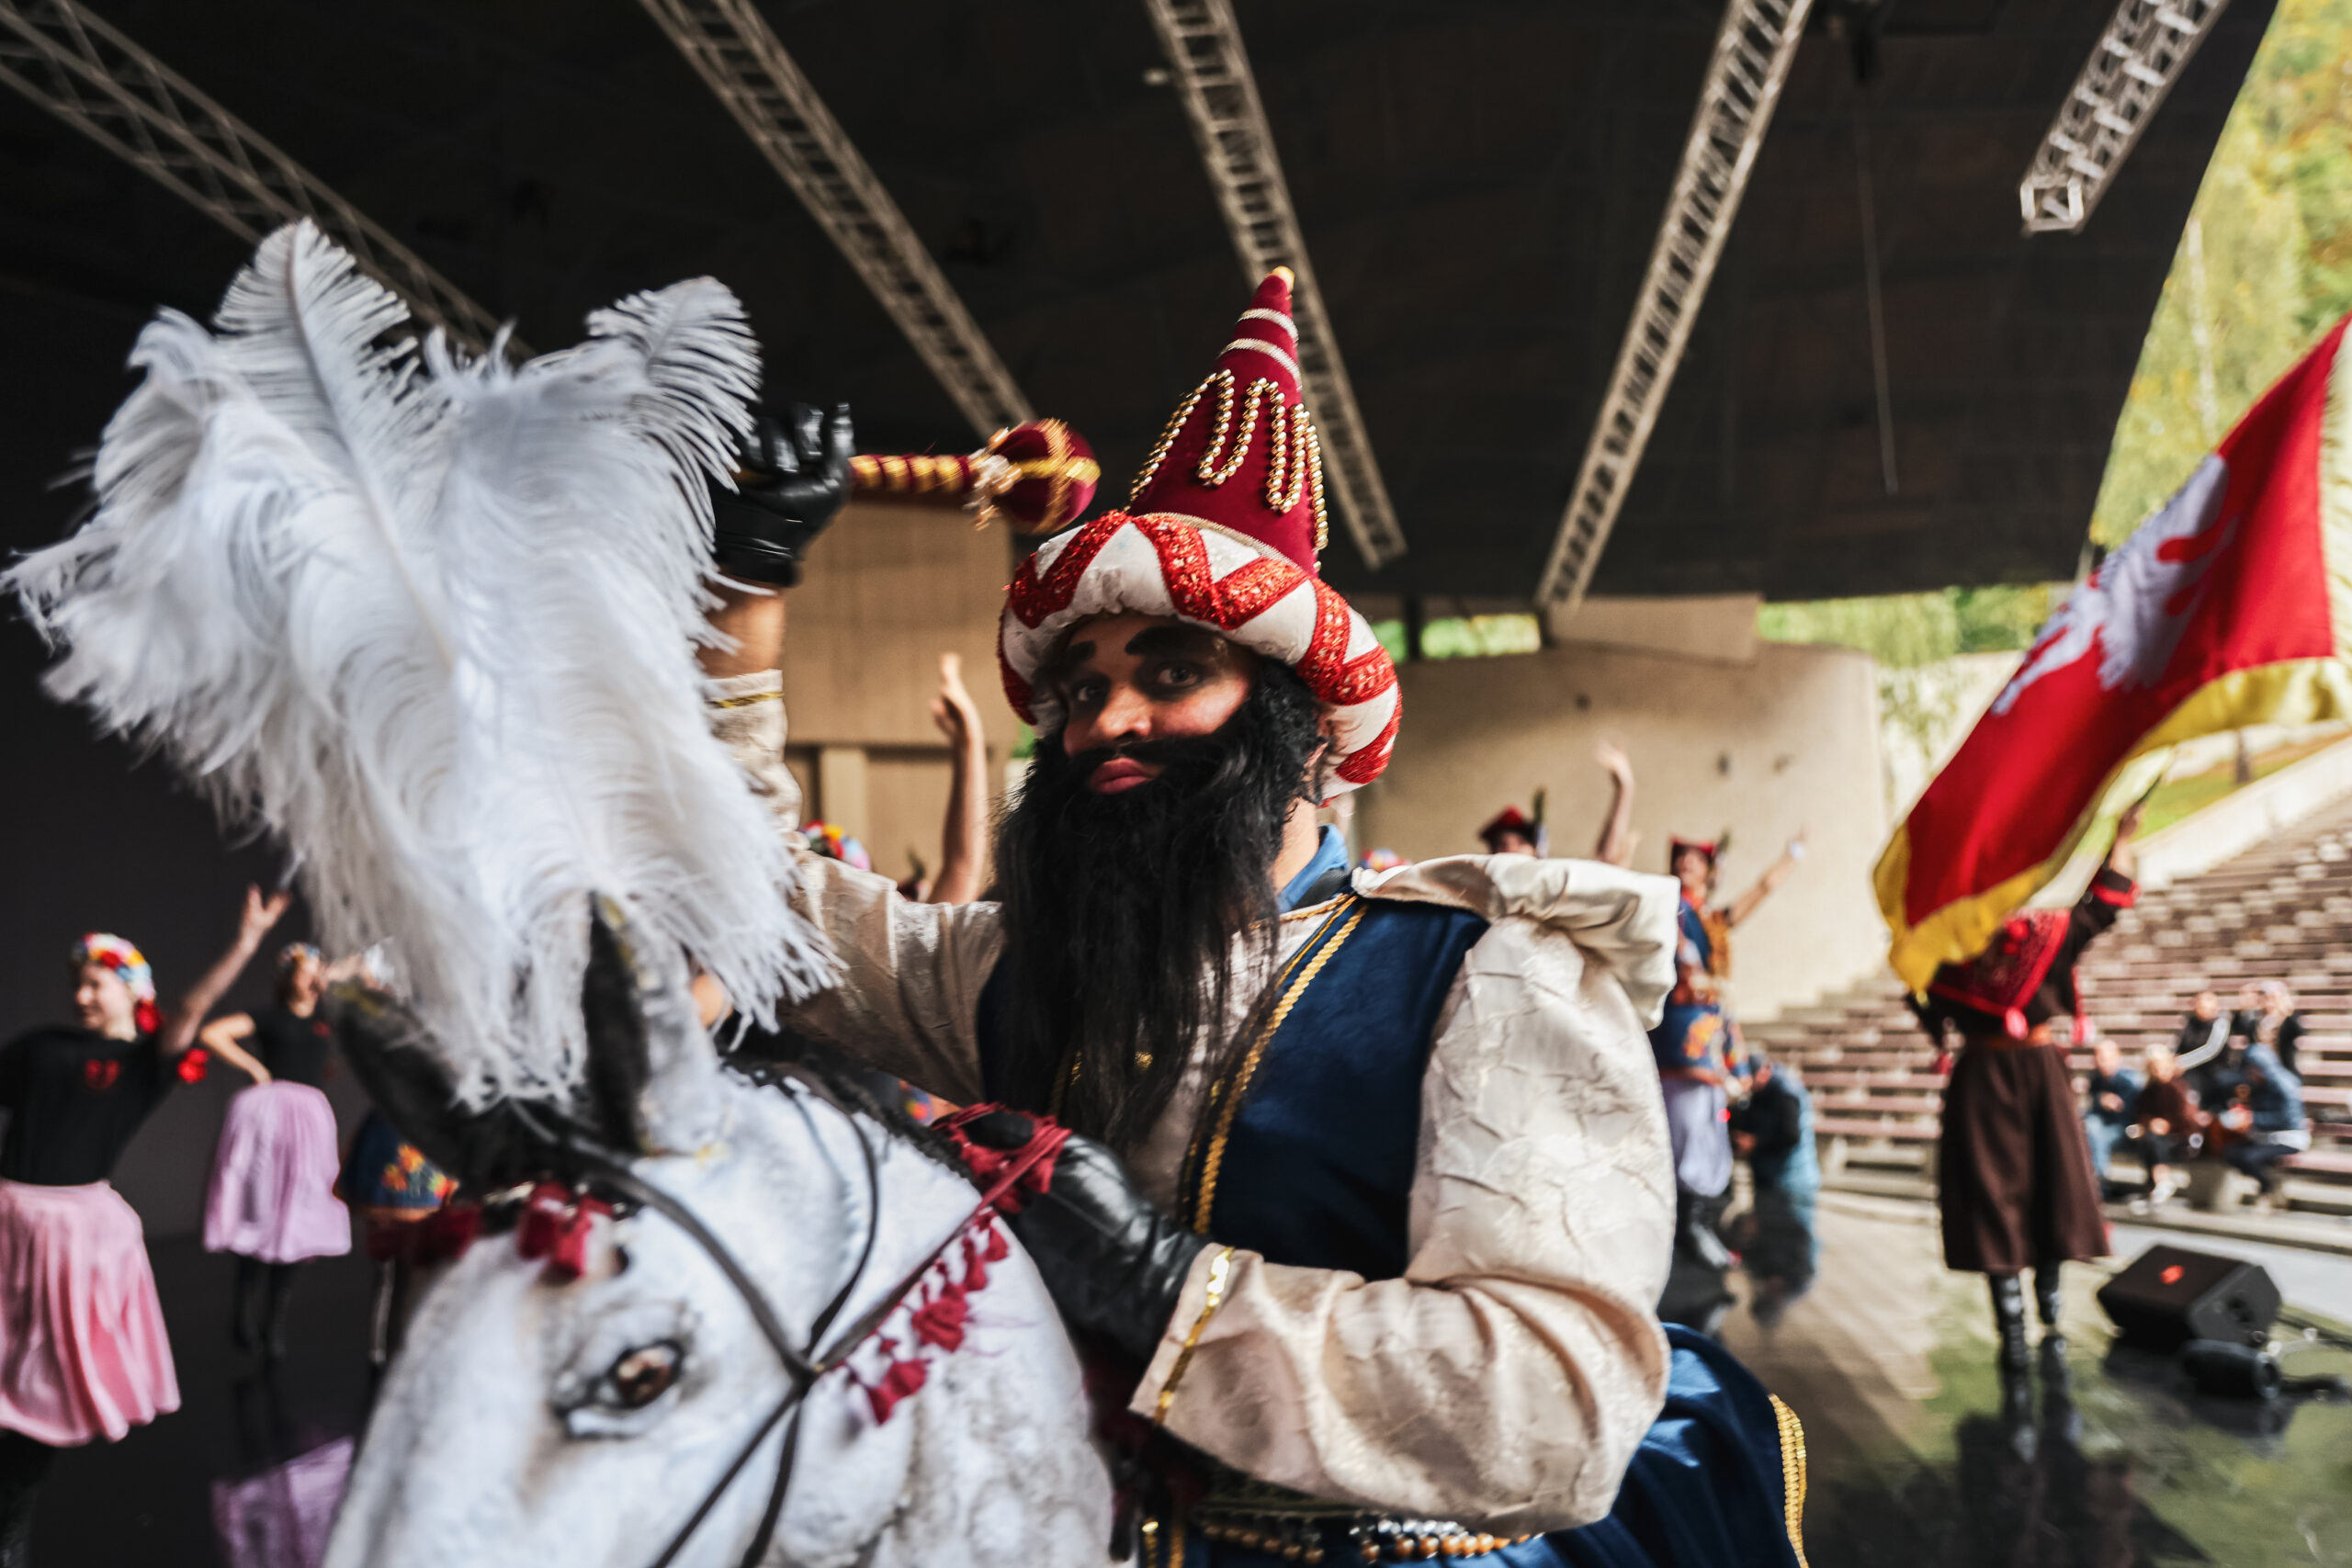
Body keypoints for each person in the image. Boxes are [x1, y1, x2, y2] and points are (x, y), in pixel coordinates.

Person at [699, 272, 1808, 1564]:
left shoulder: (1491, 973)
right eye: (1077, 692)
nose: (1103, 722)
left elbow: (1554, 1414)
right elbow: (752, 893)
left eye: (1171, 672)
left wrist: (1164, 1289)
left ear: (1299, 727)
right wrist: (748, 588)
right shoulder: (1009, 968)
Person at [0, 886, 290, 1567]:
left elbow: (189, 1011)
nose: (82, 995)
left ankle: (11, 1518)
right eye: (77, 983)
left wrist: (244, 944)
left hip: (71, 1232)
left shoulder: (143, 1062)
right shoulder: (43, 1046)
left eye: (96, 983)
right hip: (7, 1214)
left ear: (132, 991)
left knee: (45, 1380)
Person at [1910, 807, 2139, 1373]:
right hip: (1990, 1082)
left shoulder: (2035, 935)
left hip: (2029, 1077)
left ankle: (2047, 1310)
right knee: (1991, 1197)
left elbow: (2101, 905)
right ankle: (2013, 1327)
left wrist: (2122, 838)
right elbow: (1923, 996)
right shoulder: (1948, 950)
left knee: (2052, 1186)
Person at [1650, 829, 1806, 1277]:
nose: (1686, 863)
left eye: (1695, 860)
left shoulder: (1712, 922)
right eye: (1680, 858)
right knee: (1677, 1123)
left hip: (1710, 1038)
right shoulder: (1661, 910)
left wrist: (1793, 854)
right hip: (1676, 1035)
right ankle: (1678, 1225)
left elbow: (1762, 889)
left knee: (1704, 1123)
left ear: (1710, 872)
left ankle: (1693, 1223)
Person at [199, 942, 356, 1358]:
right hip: (270, 1121)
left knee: (296, 1216)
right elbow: (212, 1033)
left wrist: (332, 973)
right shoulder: (270, 1016)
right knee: (261, 1209)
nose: (313, 977)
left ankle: (275, 1322)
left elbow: (366, 988)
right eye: (306, 970)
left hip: (309, 1124)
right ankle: (242, 1312)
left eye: (317, 971)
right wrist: (254, 1067)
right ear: (288, 976)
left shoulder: (325, 1021)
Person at [1725, 1055, 1820, 1326]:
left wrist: (1755, 1144)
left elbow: (1790, 1136)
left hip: (1792, 1184)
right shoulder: (1763, 1275)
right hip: (1768, 1181)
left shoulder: (1786, 1094)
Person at [2213, 1040, 2309, 1202]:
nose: (2251, 1073)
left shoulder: (2285, 1085)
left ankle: (2267, 1186)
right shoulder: (2257, 1085)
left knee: (2249, 1157)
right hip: (2263, 1137)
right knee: (2229, 1152)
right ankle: (2267, 1183)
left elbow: (2287, 1119)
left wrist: (2253, 1119)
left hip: (2288, 1138)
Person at [2128, 1044, 2200, 1208]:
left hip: (2180, 1137)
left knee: (2156, 1141)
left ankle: (2162, 1180)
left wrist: (2168, 1126)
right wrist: (2150, 1123)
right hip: (2156, 1135)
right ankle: (2153, 1186)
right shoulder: (2150, 1090)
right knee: (2147, 1140)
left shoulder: (2178, 1088)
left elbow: (2187, 1119)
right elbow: (2142, 1112)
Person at [2080, 1034, 2141, 1201]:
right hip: (2102, 1127)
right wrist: (2100, 1101)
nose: (2101, 1062)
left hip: (2125, 1129)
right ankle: (2093, 1180)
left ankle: (2099, 1181)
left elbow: (2128, 1112)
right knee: (2090, 1126)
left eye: (2105, 1058)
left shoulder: (2129, 1080)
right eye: (2098, 1058)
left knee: (2093, 1129)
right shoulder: (2096, 1080)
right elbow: (2094, 1109)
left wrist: (2109, 1104)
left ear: (2117, 1058)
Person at [2239, 979, 2306, 1079]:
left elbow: (2299, 1031)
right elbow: (2241, 1031)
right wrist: (2246, 1007)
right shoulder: (2255, 1022)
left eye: (2273, 998)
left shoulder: (2286, 1021)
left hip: (2282, 1070)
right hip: (2260, 1072)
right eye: (2266, 998)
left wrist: (2286, 1008)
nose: (2269, 1002)